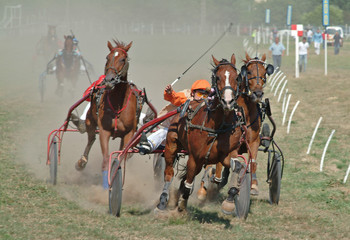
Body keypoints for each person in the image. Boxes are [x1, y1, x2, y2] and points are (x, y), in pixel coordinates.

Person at [137, 79, 211, 155]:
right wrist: (170, 93)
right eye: (199, 94)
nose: (202, 97)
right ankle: (148, 144)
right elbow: (175, 98)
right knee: (165, 131)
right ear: (193, 93)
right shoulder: (187, 97)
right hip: (175, 134)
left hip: (194, 139)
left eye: (205, 95)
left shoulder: (209, 105)